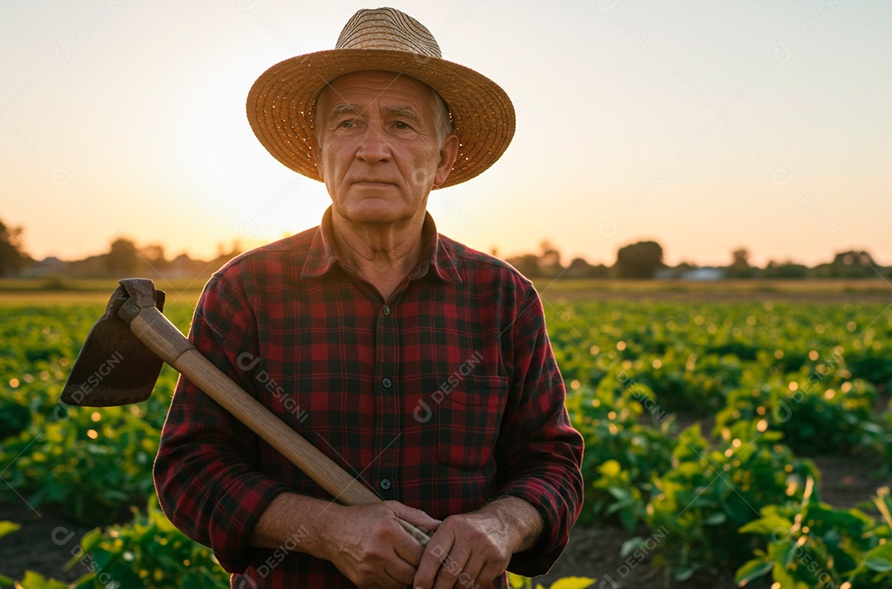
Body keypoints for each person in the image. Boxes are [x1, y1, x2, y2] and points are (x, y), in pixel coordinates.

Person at [153, 7, 584, 589]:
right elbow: (190, 470)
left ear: (443, 157)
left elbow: (551, 462)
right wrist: (328, 530)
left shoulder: (504, 300)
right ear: (319, 150)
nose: (373, 149)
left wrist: (501, 526)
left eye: (403, 125)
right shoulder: (244, 292)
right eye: (348, 122)